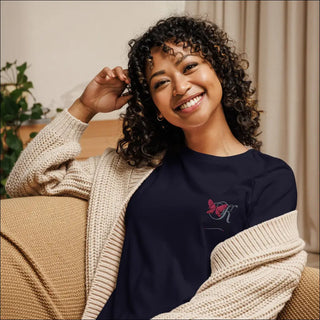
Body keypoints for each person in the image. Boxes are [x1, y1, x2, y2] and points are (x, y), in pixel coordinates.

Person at [6, 15, 306, 319]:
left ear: (218, 69)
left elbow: (248, 289)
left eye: (189, 67)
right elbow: (27, 180)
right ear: (155, 106)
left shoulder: (270, 178)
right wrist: (85, 106)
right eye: (161, 82)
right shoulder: (134, 170)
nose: (179, 87)